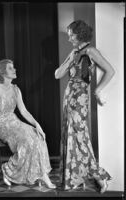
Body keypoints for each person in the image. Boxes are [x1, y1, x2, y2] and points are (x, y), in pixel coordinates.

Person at [55, 20, 115, 193]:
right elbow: (58, 74)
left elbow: (111, 71)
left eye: (71, 34)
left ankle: (99, 175)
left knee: (80, 137)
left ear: (80, 34)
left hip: (80, 98)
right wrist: (70, 58)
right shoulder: (74, 51)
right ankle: (75, 178)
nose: (69, 38)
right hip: (69, 97)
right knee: (70, 137)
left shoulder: (91, 51)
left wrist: (98, 90)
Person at [0, 59, 56, 189]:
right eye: (10, 68)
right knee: (26, 139)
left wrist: (38, 125)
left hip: (13, 121)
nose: (14, 70)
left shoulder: (16, 89)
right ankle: (8, 169)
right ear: (2, 72)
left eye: (13, 67)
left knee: (37, 135)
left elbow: (24, 111)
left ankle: (41, 173)